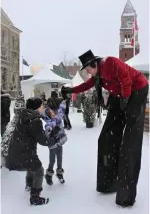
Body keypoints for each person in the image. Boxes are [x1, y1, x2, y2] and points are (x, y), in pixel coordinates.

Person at [61, 50, 148, 207]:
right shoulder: (97, 75)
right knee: (107, 137)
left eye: (88, 69)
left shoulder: (111, 63)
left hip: (136, 89)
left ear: (94, 64)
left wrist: (126, 98)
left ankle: (126, 194)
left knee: (130, 141)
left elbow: (126, 78)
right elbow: (88, 85)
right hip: (121, 93)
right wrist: (71, 90)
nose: (87, 73)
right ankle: (108, 183)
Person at [6, 97, 50, 206]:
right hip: (23, 151)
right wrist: (53, 137)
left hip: (17, 149)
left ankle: (29, 185)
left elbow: (32, 133)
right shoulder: (34, 120)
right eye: (41, 105)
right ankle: (35, 197)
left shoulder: (24, 115)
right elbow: (43, 140)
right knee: (39, 170)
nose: (43, 107)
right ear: (36, 108)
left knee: (32, 164)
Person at [41, 97, 67, 185]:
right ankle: (48, 175)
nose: (52, 112)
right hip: (53, 144)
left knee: (60, 158)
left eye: (51, 111)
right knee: (52, 160)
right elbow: (48, 129)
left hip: (59, 142)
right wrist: (50, 131)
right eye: (49, 112)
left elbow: (61, 110)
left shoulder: (58, 117)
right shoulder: (50, 122)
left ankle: (59, 174)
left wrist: (64, 101)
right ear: (47, 116)